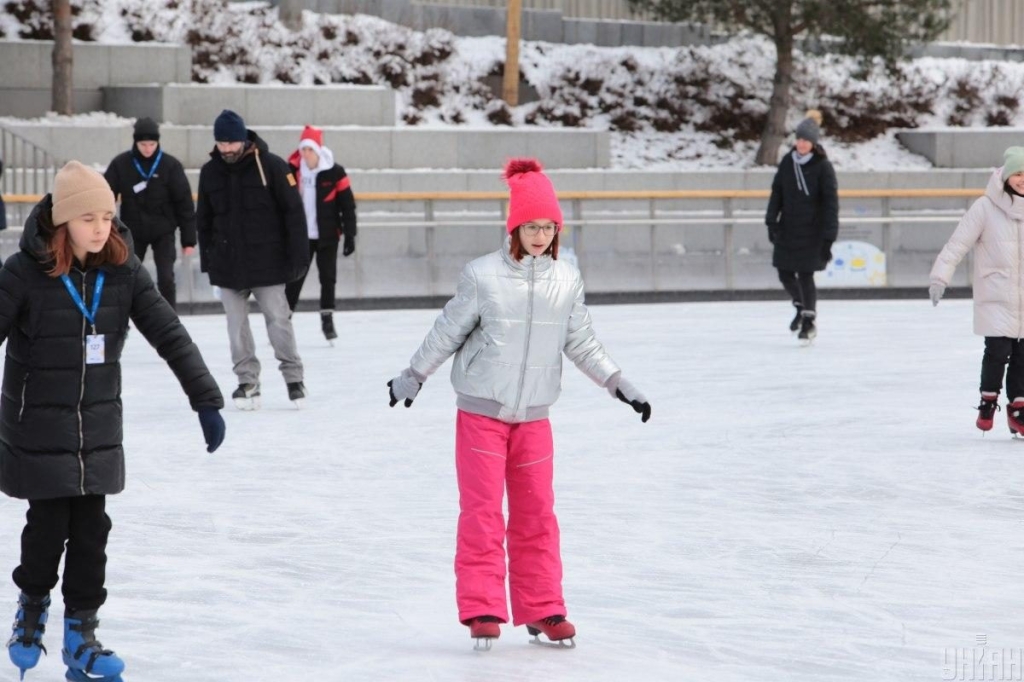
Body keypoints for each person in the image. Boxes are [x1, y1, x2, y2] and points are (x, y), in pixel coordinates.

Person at [386, 158, 652, 650]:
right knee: (483, 513)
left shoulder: (566, 279)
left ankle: (543, 607)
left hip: (534, 418)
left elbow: (582, 342)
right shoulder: (482, 275)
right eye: (531, 226)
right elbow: (447, 331)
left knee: (537, 515)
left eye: (548, 227)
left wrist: (619, 383)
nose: (539, 236)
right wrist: (413, 376)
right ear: (514, 228)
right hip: (481, 413)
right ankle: (483, 607)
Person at [0, 161, 225, 682]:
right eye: (88, 218)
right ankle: (32, 606)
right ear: (63, 221)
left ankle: (81, 635)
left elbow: (169, 332)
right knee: (47, 527)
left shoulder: (123, 270)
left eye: (106, 216)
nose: (101, 227)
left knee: (92, 532)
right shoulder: (23, 273)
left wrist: (204, 398)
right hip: (39, 428)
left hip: (98, 430)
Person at [196, 109, 309, 409]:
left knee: (278, 321)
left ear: (244, 140)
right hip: (227, 265)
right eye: (221, 143)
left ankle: (294, 378)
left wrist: (298, 257)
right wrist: (209, 262)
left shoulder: (272, 166)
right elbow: (203, 220)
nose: (226, 149)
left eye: (231, 143)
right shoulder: (210, 172)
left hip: (267, 263)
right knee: (236, 326)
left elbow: (294, 214)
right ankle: (247, 381)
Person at [929, 146, 1024, 435]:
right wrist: (940, 277)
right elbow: (957, 243)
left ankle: (1018, 409)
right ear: (1006, 176)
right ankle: (988, 400)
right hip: (996, 293)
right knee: (998, 351)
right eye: (1018, 173)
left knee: (1023, 355)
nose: (1022, 179)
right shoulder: (985, 207)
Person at [103, 117, 196, 310]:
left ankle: (169, 318)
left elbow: (184, 203)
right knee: (127, 275)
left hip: (163, 231)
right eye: (143, 144)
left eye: (152, 144)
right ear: (136, 142)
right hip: (132, 231)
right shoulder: (121, 164)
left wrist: (188, 240)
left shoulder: (170, 165)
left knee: (166, 277)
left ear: (158, 142)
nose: (147, 149)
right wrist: (107, 231)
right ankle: (124, 316)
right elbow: (105, 196)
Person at [765, 109, 839, 342]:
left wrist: (828, 238)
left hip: (812, 231)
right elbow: (777, 193)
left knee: (806, 274)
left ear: (813, 143)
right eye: (799, 139)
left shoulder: (823, 167)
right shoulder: (788, 162)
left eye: (806, 140)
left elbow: (831, 204)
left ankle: (808, 320)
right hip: (788, 228)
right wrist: (771, 221)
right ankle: (800, 304)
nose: (802, 144)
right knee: (784, 272)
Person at [285, 125, 357, 342]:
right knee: (294, 279)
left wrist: (350, 235)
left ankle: (327, 320)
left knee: (328, 278)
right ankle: (283, 321)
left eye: (310, 150)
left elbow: (347, 205)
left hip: (327, 235)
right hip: (302, 237)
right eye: (303, 149)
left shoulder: (335, 172)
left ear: (318, 151)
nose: (306, 154)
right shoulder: (292, 171)